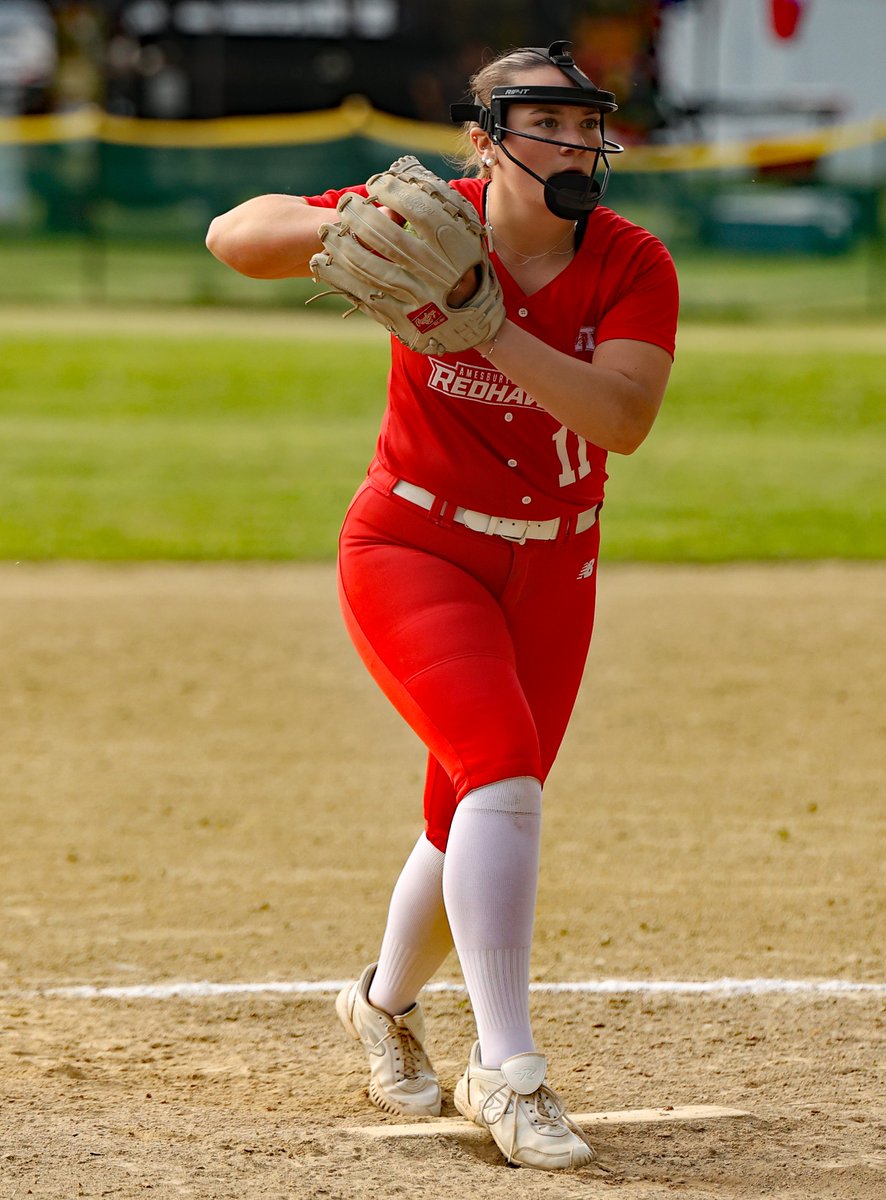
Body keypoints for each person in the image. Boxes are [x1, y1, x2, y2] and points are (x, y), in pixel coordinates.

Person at [206, 39, 678, 1173]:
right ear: (485, 141)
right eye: (547, 125)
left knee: (464, 808)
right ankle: (506, 1070)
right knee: (503, 774)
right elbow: (235, 235)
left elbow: (620, 418)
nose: (575, 145)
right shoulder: (433, 216)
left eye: (585, 125)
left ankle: (379, 1003)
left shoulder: (629, 261)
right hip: (414, 542)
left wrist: (483, 321)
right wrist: (341, 229)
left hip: (554, 567)